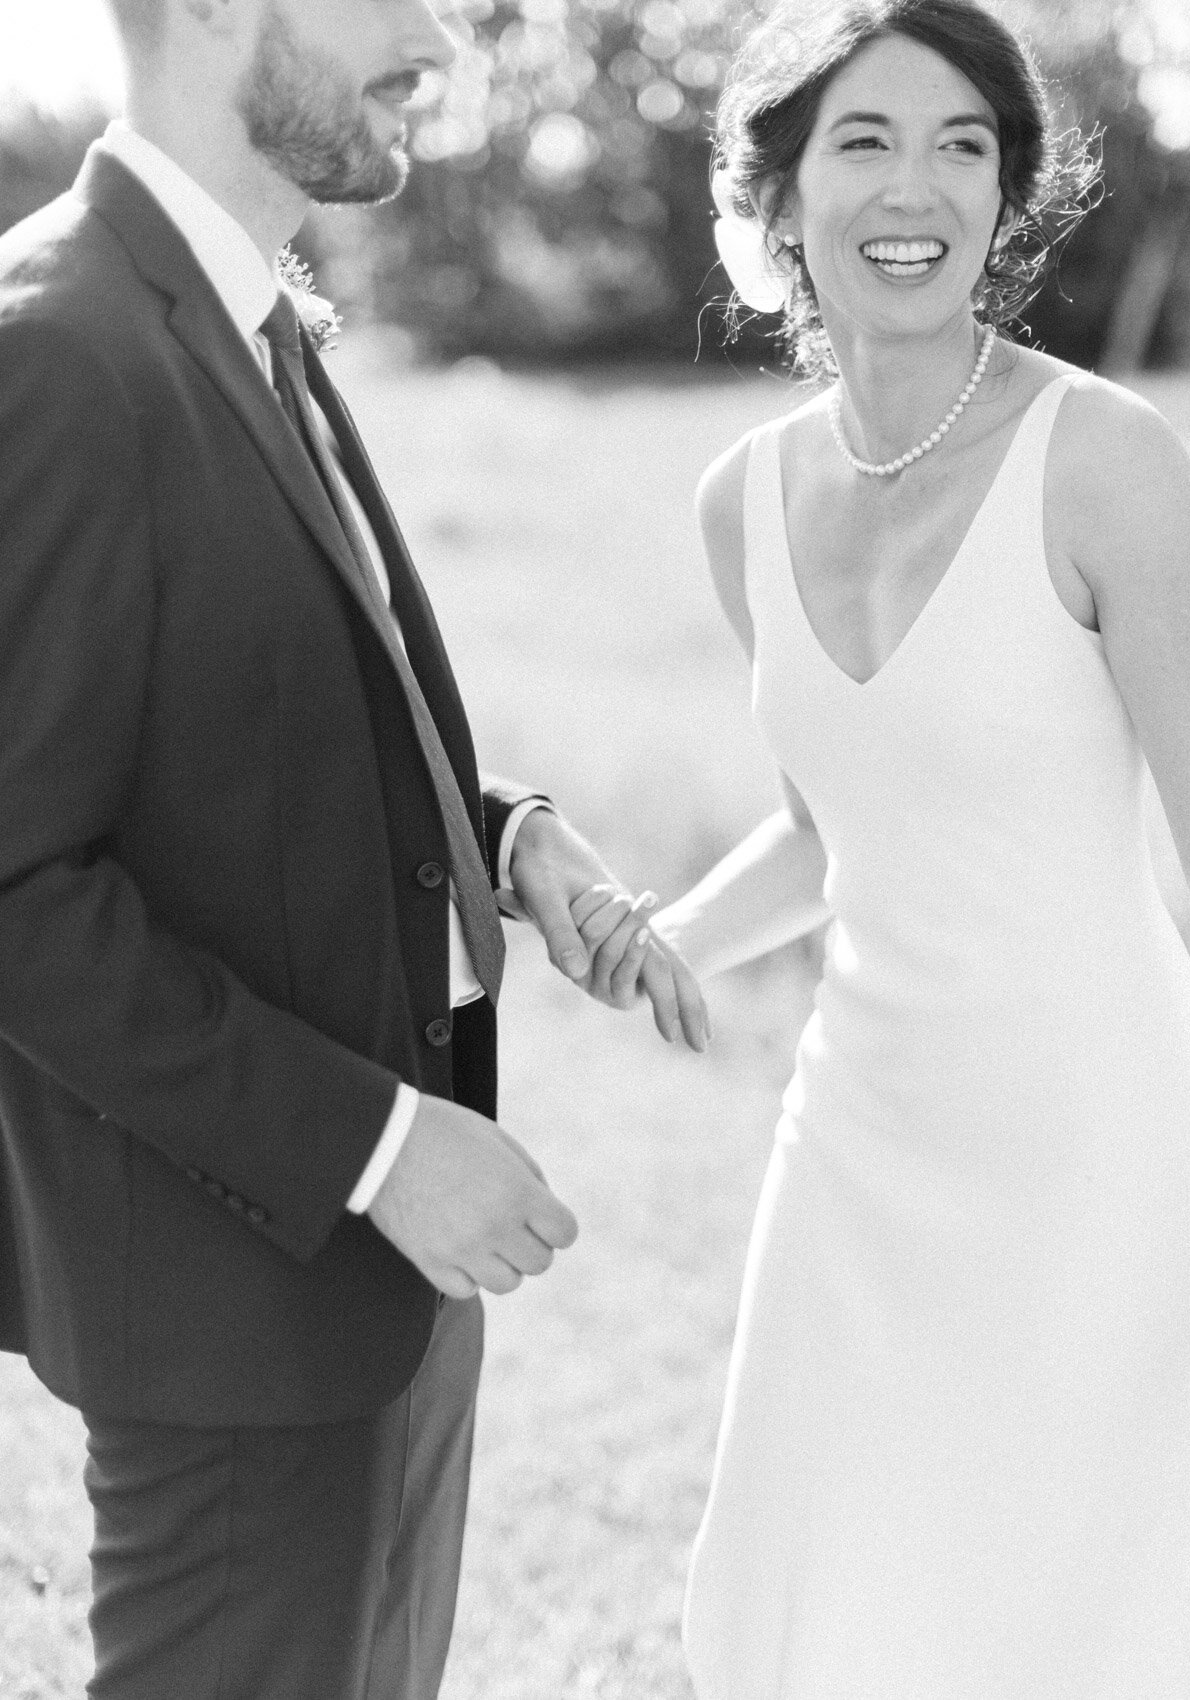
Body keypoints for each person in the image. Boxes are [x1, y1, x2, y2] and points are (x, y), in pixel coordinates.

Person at [0, 0, 706, 1695]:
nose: (444, 41)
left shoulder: (254, 318)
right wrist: (381, 1151)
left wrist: (507, 838)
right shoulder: (53, 349)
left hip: (383, 1293)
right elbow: (17, 891)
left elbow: (259, 734)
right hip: (238, 1310)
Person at [652, 0, 1190, 1693]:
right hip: (855, 1132)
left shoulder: (1108, 465)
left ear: (1008, 201)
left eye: (962, 146)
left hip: (1093, 1140)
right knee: (820, 1577)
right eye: (863, 140)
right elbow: (826, 822)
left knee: (1067, 1601)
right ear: (778, 199)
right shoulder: (744, 500)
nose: (913, 184)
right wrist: (669, 943)